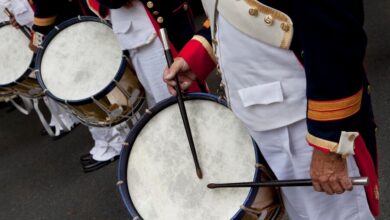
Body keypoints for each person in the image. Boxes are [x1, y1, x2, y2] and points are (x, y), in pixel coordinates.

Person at [164, 0, 379, 219]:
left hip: (302, 125)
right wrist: (199, 54)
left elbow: (335, 37)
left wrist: (328, 142)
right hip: (258, 118)